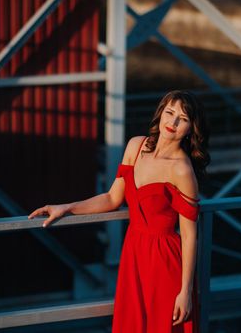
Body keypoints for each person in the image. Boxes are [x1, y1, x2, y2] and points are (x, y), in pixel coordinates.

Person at [28, 90, 210, 333]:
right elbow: (113, 198)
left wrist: (185, 292)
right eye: (169, 113)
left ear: (191, 128)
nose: (173, 122)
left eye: (183, 118)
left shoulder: (182, 170)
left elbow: (189, 236)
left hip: (164, 262)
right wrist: (66, 208)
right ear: (160, 113)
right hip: (134, 252)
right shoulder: (136, 146)